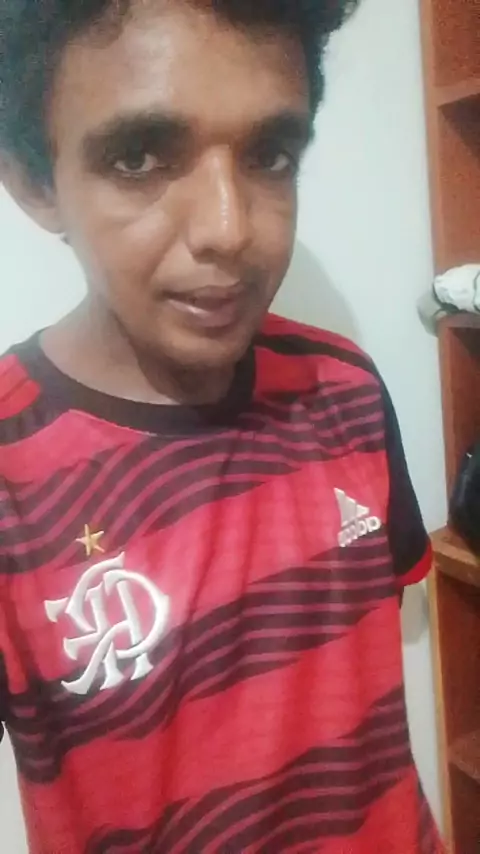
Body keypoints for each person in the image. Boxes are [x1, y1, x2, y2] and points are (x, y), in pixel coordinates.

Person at [0, 2, 444, 852]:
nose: (229, 229)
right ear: (34, 180)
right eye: (140, 156)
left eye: (269, 155)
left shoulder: (345, 390)